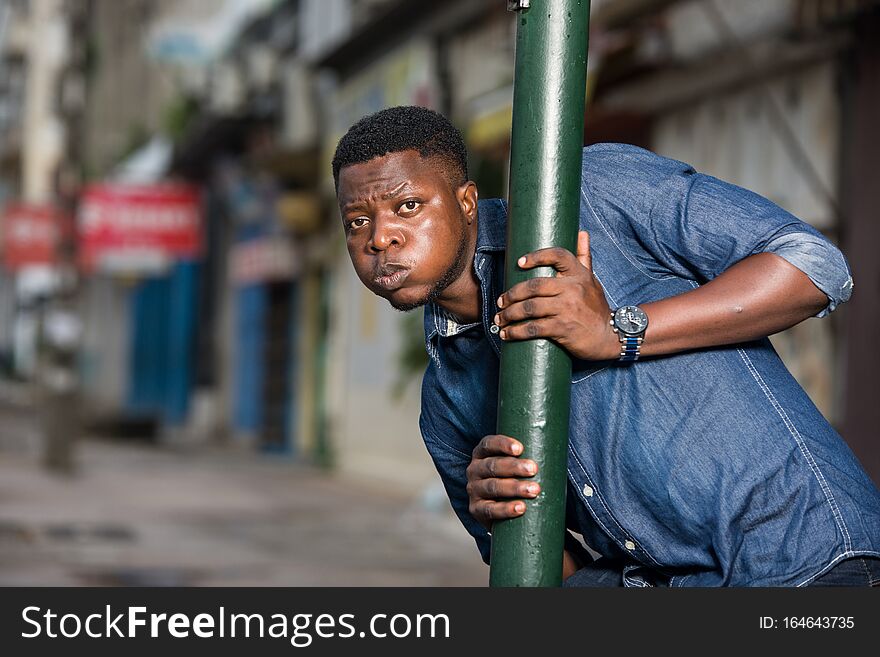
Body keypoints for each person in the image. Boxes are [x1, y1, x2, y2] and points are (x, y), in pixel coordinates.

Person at [332, 105, 880, 587]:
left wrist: (618, 330)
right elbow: (551, 577)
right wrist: (503, 522)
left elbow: (813, 266)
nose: (380, 238)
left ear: (467, 201)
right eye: (358, 221)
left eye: (407, 207)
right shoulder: (446, 400)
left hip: (809, 565)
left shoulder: (586, 194)